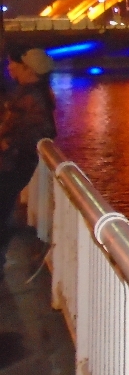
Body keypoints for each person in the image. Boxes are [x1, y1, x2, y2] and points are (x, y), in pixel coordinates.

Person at [0, 45, 56, 276]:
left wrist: (8, 143)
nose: (13, 69)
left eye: (18, 66)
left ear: (29, 70)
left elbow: (44, 130)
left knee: (2, 209)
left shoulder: (33, 97)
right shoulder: (30, 93)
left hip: (13, 164)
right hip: (12, 163)